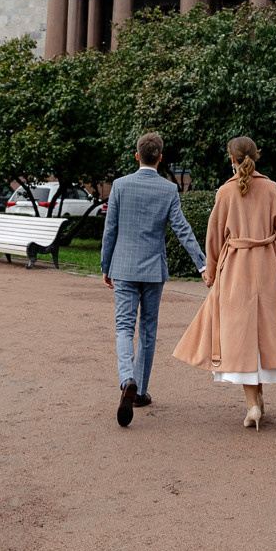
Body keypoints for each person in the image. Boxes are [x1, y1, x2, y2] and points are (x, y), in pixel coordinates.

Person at [173, 135, 276, 431]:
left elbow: (213, 237)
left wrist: (210, 271)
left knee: (240, 337)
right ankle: (258, 401)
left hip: (236, 268)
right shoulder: (272, 189)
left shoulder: (225, 192)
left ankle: (252, 405)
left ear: (231, 159)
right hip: (269, 268)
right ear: (255, 157)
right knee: (263, 334)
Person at [101, 131, 206, 429]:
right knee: (148, 329)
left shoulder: (120, 186)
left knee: (124, 327)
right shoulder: (169, 190)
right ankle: (141, 390)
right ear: (160, 158)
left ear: (137, 155)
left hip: (123, 266)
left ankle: (127, 380)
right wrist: (202, 264)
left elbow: (111, 229)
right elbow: (182, 229)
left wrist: (105, 265)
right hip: (153, 271)